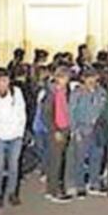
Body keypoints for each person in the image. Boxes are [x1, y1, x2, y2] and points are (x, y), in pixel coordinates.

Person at [0, 69, 27, 208]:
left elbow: (22, 113)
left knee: (14, 165)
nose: (4, 83)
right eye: (1, 80)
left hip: (15, 135)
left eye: (7, 80)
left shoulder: (17, 92)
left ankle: (11, 192)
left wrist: (20, 132)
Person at [66, 67, 107, 197]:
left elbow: (104, 108)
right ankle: (80, 185)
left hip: (97, 129)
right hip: (82, 129)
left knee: (97, 156)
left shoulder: (101, 92)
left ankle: (94, 183)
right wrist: (75, 131)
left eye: (94, 77)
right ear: (83, 78)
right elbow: (71, 113)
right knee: (80, 158)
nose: (92, 80)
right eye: (89, 77)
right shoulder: (77, 93)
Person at [41, 66, 73, 203]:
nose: (67, 80)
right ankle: (53, 190)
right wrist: (55, 131)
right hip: (57, 129)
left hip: (65, 126)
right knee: (56, 161)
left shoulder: (65, 91)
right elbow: (46, 114)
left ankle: (56, 188)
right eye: (65, 77)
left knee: (60, 159)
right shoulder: (51, 92)